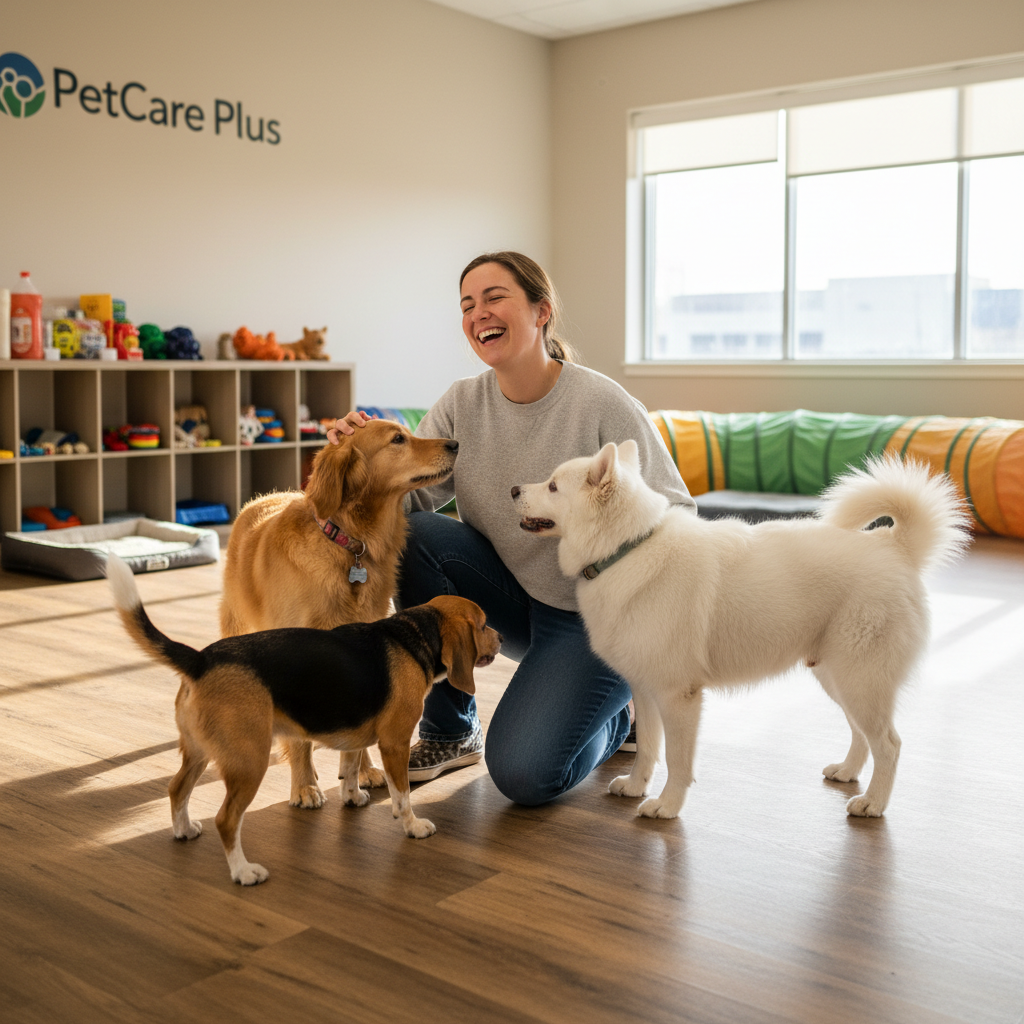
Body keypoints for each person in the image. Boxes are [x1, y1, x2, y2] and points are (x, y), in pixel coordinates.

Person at [330, 251, 695, 806]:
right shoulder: (461, 403)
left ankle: (620, 719)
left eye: (494, 297)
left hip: (597, 623)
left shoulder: (600, 402)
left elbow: (678, 514)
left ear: (541, 311)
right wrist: (354, 461)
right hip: (516, 603)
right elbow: (402, 508)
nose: (479, 314)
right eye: (467, 305)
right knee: (421, 537)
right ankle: (450, 730)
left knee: (524, 774)